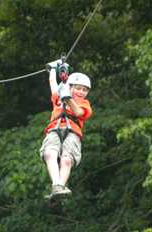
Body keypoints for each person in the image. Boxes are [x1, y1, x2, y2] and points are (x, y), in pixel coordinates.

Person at [40, 59, 93, 198]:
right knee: (49, 154)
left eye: (84, 89)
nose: (81, 92)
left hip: (73, 131)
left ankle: (60, 186)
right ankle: (56, 185)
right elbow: (53, 83)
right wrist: (53, 68)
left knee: (67, 159)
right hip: (54, 128)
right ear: (70, 87)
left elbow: (79, 113)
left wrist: (68, 98)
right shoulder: (59, 96)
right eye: (78, 88)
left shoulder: (84, 104)